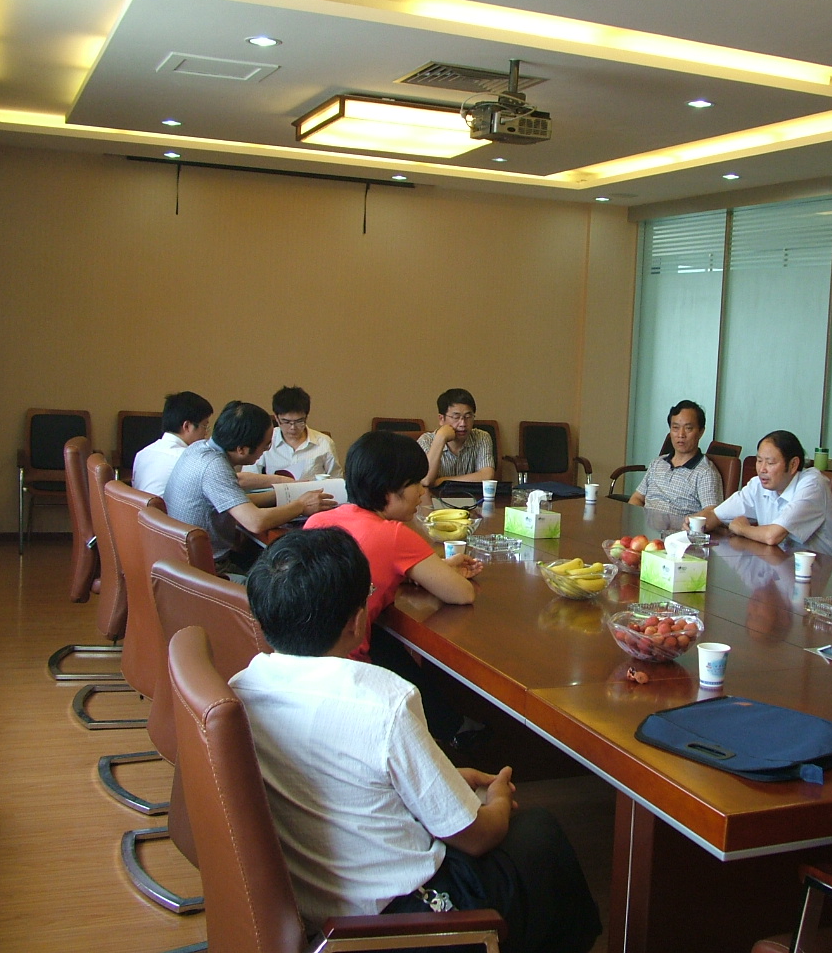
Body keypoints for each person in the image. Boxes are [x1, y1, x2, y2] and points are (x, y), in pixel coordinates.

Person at [235, 528, 601, 952]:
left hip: (310, 903)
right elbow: (476, 837)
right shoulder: (382, 698)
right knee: (538, 834)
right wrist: (499, 800)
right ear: (357, 620)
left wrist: (447, 778)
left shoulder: (243, 685)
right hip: (394, 921)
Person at [306, 430, 486, 747]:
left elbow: (368, 565)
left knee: (387, 643)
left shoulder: (319, 521)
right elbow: (463, 594)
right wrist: (437, 571)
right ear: (390, 490)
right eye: (415, 483)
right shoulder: (393, 535)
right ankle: (452, 731)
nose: (421, 491)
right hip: (350, 676)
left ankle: (448, 723)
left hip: (308, 669)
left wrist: (427, 570)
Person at [164, 400, 336, 578]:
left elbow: (236, 500)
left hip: (183, 561)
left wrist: (282, 494)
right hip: (208, 571)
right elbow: (255, 522)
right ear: (242, 449)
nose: (267, 450)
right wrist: (301, 506)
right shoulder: (214, 467)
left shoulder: (198, 448)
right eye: (266, 445)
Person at [692, 430, 832, 559]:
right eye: (759, 461)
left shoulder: (812, 484)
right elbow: (716, 514)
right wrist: (696, 524)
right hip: (785, 566)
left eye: (770, 463)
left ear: (793, 464)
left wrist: (742, 529)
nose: (762, 469)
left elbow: (773, 536)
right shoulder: (758, 485)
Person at [628, 399, 723, 515]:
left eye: (688, 428)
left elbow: (712, 513)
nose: (681, 435)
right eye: (675, 428)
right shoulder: (658, 463)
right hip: (644, 524)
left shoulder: (705, 473)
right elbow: (637, 498)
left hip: (678, 526)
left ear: (701, 432)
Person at [244, 385, 341, 481]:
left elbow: (337, 480)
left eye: (299, 421)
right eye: (286, 422)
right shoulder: (264, 440)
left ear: (306, 417)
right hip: (275, 491)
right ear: (276, 418)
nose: (293, 428)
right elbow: (247, 478)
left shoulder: (324, 443)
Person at [131, 391, 212, 497]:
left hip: (141, 508)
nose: (206, 433)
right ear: (187, 426)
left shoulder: (143, 454)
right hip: (165, 508)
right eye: (204, 426)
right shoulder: (190, 460)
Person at [418, 388, 495, 486]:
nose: (463, 424)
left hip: (471, 496)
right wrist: (440, 439)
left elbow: (487, 476)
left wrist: (444, 481)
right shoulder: (425, 441)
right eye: (456, 417)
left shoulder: (482, 437)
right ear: (441, 419)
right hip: (436, 496)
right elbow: (426, 480)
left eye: (468, 417)